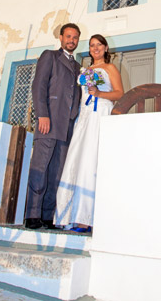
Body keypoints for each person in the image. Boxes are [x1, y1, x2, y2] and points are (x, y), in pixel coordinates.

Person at [54, 34, 123, 233]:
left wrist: (99, 93)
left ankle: (86, 218)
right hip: (84, 116)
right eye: (92, 45)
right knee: (76, 160)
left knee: (90, 161)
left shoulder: (110, 68)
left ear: (106, 47)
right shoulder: (85, 70)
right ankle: (68, 215)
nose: (95, 48)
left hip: (100, 112)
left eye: (99, 45)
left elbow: (119, 93)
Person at [25, 23, 82, 230]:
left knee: (56, 172)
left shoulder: (77, 67)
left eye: (75, 38)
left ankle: (48, 217)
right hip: (48, 122)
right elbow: (38, 86)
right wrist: (42, 115)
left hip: (66, 126)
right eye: (68, 36)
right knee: (40, 168)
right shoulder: (50, 56)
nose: (71, 41)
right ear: (60, 37)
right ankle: (32, 215)